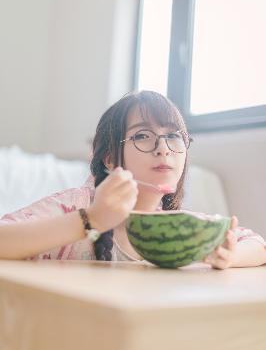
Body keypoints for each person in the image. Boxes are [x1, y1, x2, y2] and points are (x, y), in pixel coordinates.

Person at [0, 91, 265, 269]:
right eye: (142, 136)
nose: (163, 148)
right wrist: (90, 220)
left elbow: (258, 245)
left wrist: (228, 256)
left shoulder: (179, 225)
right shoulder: (78, 206)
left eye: (173, 136)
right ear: (109, 159)